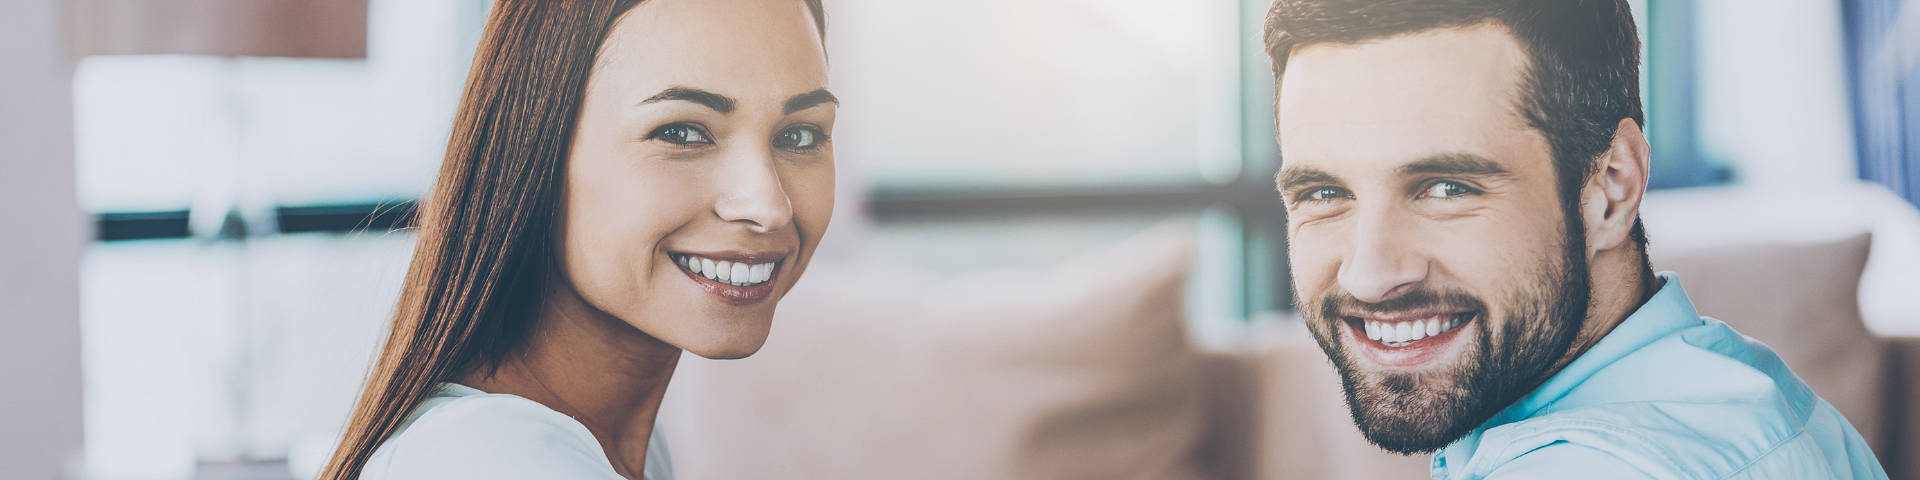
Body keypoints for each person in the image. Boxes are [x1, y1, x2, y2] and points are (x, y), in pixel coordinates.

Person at [1262, 0, 1889, 478]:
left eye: (1447, 187)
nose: (1370, 273)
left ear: (1612, 188)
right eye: (1323, 194)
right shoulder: (1749, 395)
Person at [318, 0, 836, 478]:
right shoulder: (496, 459)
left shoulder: (621, 444)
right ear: (536, 150)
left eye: (799, 135)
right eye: (681, 132)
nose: (769, 206)